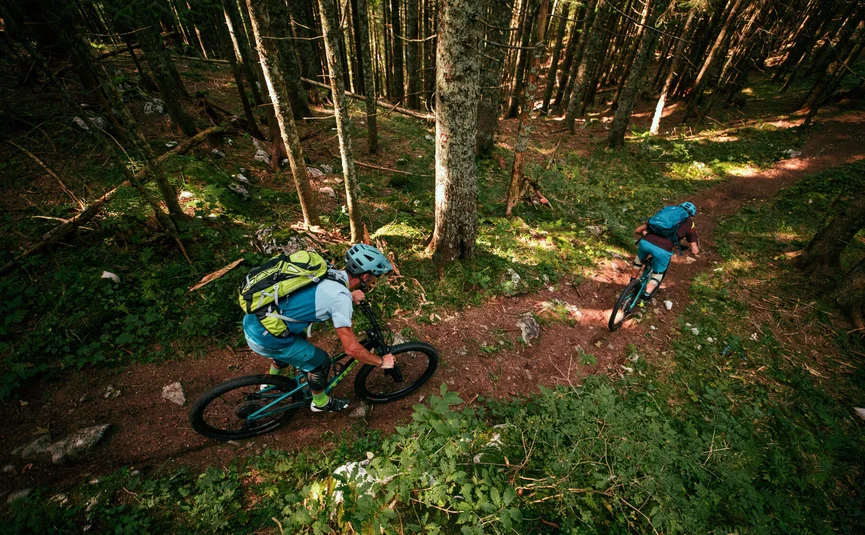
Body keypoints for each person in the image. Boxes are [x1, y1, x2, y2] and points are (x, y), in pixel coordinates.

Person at [242, 244, 396, 413]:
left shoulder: (325, 270)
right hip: (267, 338)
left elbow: (321, 292)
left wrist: (350, 295)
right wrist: (381, 361)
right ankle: (320, 402)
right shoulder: (340, 298)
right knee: (321, 363)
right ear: (366, 276)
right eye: (375, 277)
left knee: (298, 339)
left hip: (256, 320)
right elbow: (351, 349)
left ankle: (272, 382)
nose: (374, 280)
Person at [631, 202, 700, 300]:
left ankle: (632, 281)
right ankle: (645, 295)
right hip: (663, 249)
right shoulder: (689, 223)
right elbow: (694, 249)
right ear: (691, 214)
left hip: (646, 242)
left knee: (639, 258)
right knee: (658, 273)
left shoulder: (666, 213)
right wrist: (693, 251)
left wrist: (644, 235)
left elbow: (638, 230)